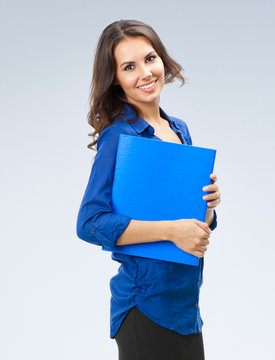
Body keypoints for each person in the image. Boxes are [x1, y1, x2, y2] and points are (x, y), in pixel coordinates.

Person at [76, 19, 221, 360]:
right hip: (145, 306)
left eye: (150, 58)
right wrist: (172, 231)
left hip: (185, 307)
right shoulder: (118, 138)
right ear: (115, 78)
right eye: (129, 67)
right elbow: (90, 222)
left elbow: (188, 218)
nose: (145, 73)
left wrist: (209, 206)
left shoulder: (179, 129)